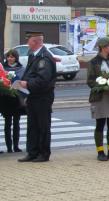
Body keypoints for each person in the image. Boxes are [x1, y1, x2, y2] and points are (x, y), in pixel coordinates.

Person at [17, 31, 56, 163]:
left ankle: (43, 153)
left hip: (43, 96)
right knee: (32, 125)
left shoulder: (44, 58)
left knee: (43, 125)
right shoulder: (33, 55)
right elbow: (30, 73)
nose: (27, 43)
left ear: (35, 42)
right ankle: (32, 152)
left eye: (29, 41)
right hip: (33, 95)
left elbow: (43, 80)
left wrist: (27, 83)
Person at [87, 37, 109, 161]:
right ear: (103, 47)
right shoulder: (93, 62)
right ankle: (100, 151)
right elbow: (90, 81)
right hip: (100, 97)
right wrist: (102, 86)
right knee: (100, 124)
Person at [1, 50, 25, 153]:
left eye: (12, 57)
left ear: (16, 58)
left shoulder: (21, 69)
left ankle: (16, 146)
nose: (10, 59)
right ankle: (9, 147)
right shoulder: (3, 68)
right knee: (7, 123)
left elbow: (24, 82)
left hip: (17, 99)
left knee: (16, 123)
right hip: (6, 98)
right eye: (8, 57)